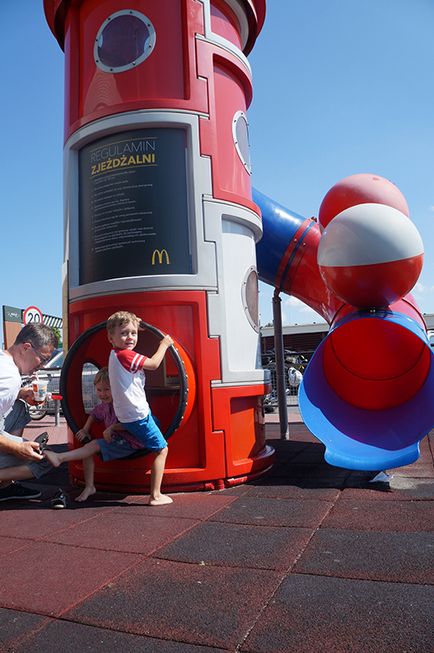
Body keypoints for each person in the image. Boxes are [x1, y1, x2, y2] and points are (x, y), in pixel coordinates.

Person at [44, 367, 145, 502]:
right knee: (88, 448)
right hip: (118, 441)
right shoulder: (104, 406)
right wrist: (85, 429)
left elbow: (134, 423)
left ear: (117, 388)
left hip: (131, 443)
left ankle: (60, 457)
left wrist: (113, 428)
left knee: (93, 445)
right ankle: (90, 486)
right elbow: (94, 414)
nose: (103, 394)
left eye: (107, 389)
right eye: (99, 390)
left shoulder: (124, 404)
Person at [107, 310, 174, 505]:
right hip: (137, 413)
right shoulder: (126, 355)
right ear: (111, 337)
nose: (130, 337)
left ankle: (116, 429)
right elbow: (153, 364)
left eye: (133, 333)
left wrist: (135, 324)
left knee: (156, 424)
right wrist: (164, 344)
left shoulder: (114, 353)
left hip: (128, 412)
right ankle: (155, 495)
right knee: (162, 449)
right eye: (124, 333)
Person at [0, 323, 58, 501]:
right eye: (43, 359)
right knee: (47, 458)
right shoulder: (10, 377)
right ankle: (4, 480)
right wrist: (19, 448)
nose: (42, 366)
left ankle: (6, 482)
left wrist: (21, 394)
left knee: (20, 406)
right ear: (26, 348)